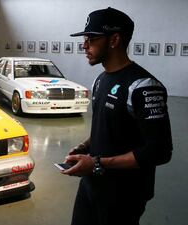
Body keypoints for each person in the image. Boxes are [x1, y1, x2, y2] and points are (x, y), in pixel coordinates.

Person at [62, 7, 173, 225]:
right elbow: (108, 127)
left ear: (114, 40)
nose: (84, 45)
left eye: (92, 39)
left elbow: (159, 151)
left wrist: (96, 163)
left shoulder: (142, 86)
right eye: (85, 38)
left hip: (123, 195)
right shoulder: (100, 80)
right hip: (91, 185)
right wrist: (85, 147)